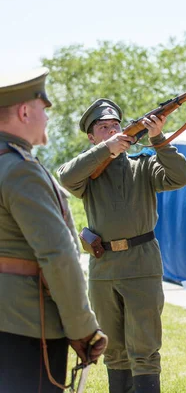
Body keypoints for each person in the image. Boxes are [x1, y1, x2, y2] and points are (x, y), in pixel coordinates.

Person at [57, 98, 186, 392]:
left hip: (141, 263)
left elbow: (180, 177)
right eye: (104, 128)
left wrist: (158, 138)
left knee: (144, 349)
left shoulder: (142, 165)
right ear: (92, 137)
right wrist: (106, 149)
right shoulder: (88, 169)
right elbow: (65, 176)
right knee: (114, 351)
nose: (112, 130)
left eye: (116, 125)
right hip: (103, 267)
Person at [0, 68, 107, 392]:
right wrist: (84, 331)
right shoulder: (21, 171)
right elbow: (58, 257)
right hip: (28, 330)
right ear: (24, 111)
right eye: (44, 110)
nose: (47, 118)